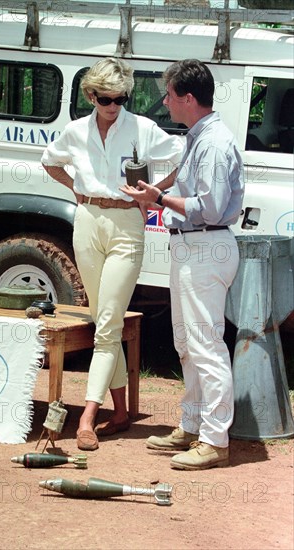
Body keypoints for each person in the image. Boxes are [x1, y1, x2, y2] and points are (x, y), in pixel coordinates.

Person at [41, 57, 183, 451]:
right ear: (91, 95)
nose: (116, 105)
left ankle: (87, 416)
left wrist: (154, 193)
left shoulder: (143, 128)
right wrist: (77, 190)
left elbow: (181, 156)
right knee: (106, 319)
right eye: (107, 98)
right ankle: (120, 413)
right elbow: (48, 162)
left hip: (127, 225)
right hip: (87, 221)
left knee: (107, 323)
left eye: (122, 97)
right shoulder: (74, 131)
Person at [121, 59, 244, 470]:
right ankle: (192, 425)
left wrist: (155, 200)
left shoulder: (211, 143)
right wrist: (157, 189)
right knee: (187, 343)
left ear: (188, 98)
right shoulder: (200, 137)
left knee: (205, 346)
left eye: (170, 95)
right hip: (194, 247)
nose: (166, 103)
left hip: (205, 246)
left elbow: (206, 206)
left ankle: (214, 438)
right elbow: (188, 183)